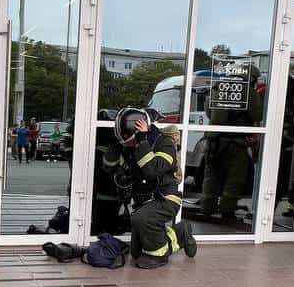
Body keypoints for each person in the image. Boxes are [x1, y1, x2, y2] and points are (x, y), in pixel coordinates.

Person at [102, 106, 197, 269]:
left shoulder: (163, 143)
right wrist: (114, 146)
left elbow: (153, 170)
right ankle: (181, 233)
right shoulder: (128, 147)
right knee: (137, 252)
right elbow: (108, 168)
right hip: (143, 200)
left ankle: (159, 257)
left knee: (143, 221)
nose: (128, 144)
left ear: (138, 130)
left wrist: (142, 143)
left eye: (129, 140)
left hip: (166, 197)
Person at [199, 63, 264, 225]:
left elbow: (208, 112)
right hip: (235, 142)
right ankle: (227, 211)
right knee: (234, 178)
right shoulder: (248, 90)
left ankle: (207, 208)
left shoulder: (217, 86)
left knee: (211, 175)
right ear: (252, 78)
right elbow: (257, 114)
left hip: (213, 141)